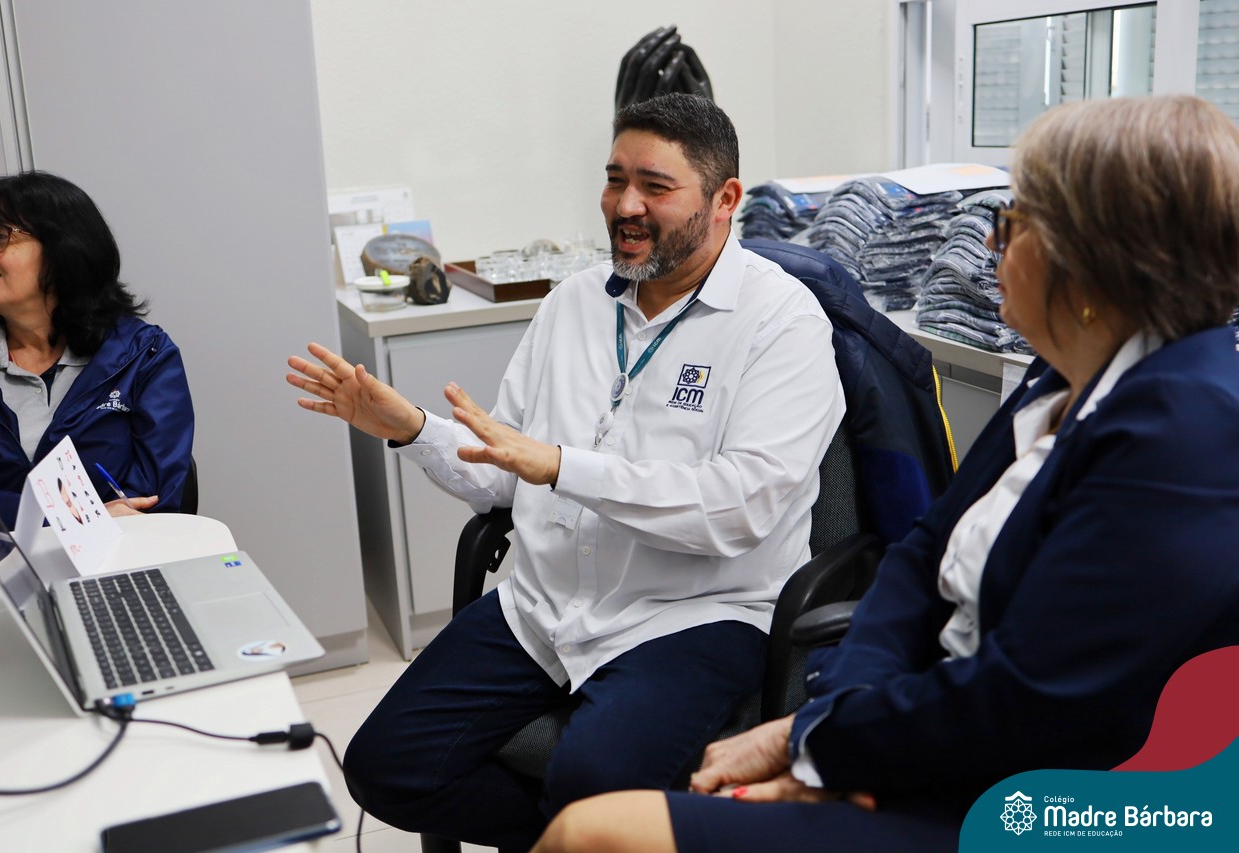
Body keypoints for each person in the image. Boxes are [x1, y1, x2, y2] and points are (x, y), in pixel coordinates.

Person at [527, 94, 1239, 853]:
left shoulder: (1187, 428)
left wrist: (824, 745)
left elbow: (1029, 699)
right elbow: (922, 551)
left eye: (1013, 224)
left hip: (1044, 799)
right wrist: (832, 721)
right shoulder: (1061, 374)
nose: (988, 246)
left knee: (595, 832)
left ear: (1096, 261)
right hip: (922, 730)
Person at [286, 93, 846, 850]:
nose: (625, 205)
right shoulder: (572, 303)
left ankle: (603, 829)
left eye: (655, 186)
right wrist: (411, 428)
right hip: (546, 602)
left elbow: (737, 508)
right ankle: (598, 837)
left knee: (589, 776)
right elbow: (502, 473)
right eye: (615, 179)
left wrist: (560, 466)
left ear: (725, 200)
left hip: (692, 612)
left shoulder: (784, 324)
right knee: (384, 767)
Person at [0, 172, 194, 528]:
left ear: (62, 251)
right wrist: (65, 518)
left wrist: (63, 522)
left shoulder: (144, 355)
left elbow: (154, 498)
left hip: (116, 557)